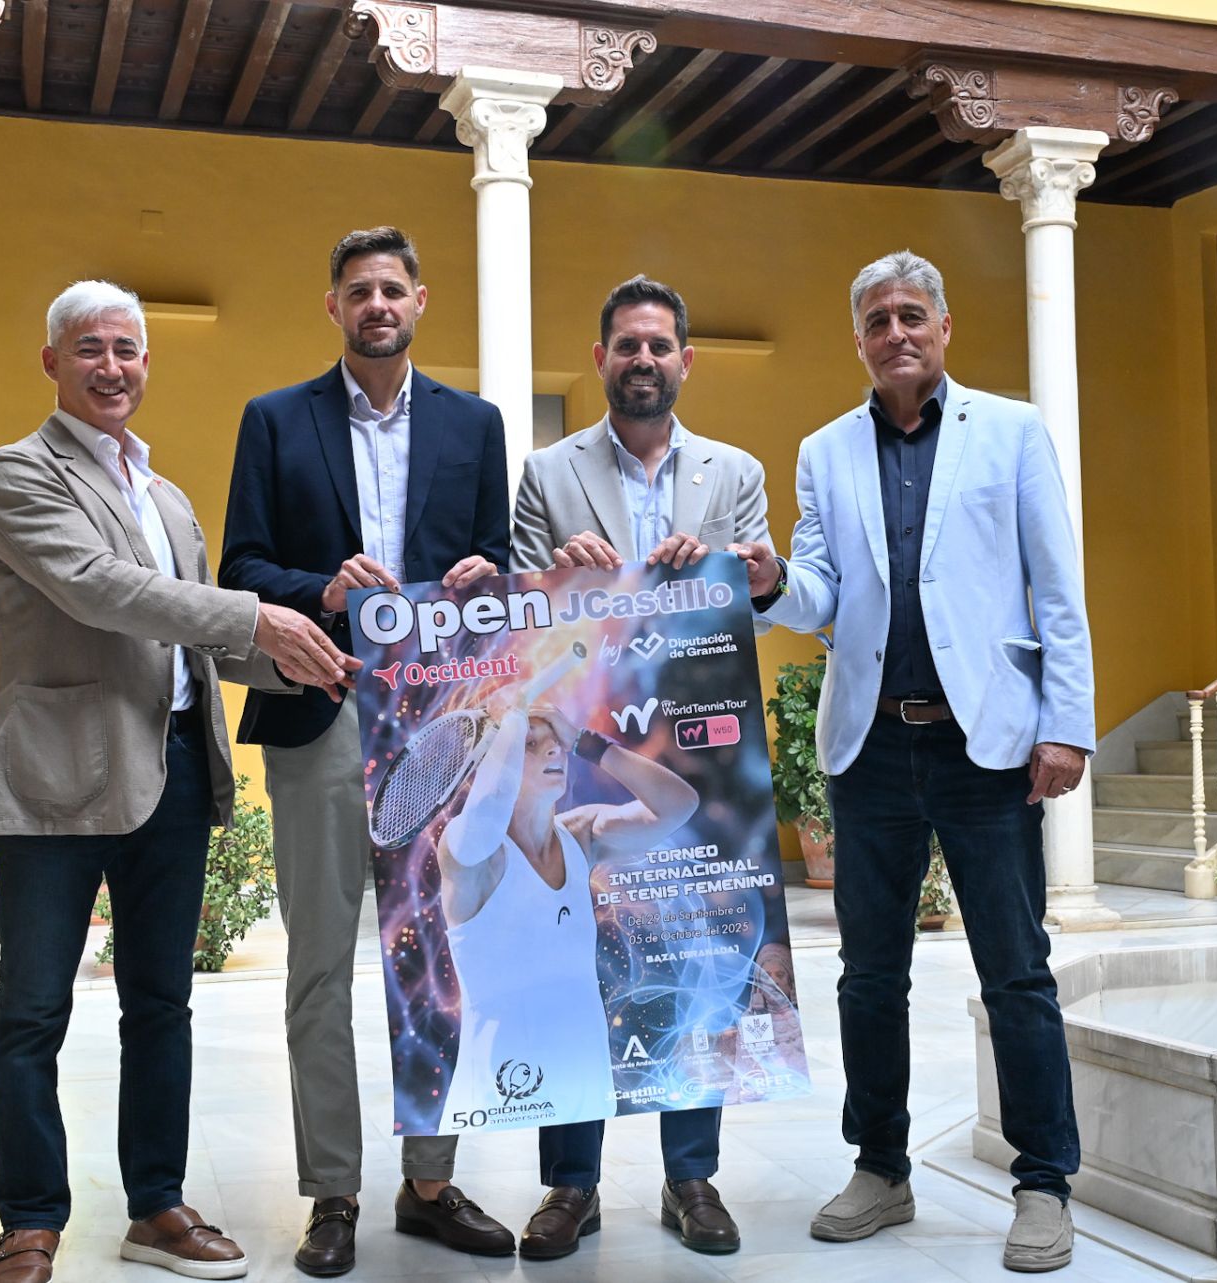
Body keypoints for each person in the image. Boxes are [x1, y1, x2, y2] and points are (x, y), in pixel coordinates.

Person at [0, 281, 360, 1283]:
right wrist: (253, 616)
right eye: (90, 347)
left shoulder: (169, 497)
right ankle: (30, 1218)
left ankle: (158, 1201)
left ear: (146, 364)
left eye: (128, 350)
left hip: (176, 771)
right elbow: (99, 588)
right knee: (33, 1008)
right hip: (56, 779)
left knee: (161, 1001)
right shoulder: (19, 475)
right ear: (52, 362)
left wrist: (299, 658)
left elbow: (207, 644)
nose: (112, 365)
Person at [737, 250, 1095, 1274]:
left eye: (913, 314)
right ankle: (881, 1165)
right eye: (878, 319)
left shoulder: (1015, 433)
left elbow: (1056, 588)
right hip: (873, 746)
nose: (897, 331)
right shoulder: (826, 450)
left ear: (944, 326)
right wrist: (770, 581)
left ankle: (1043, 1180)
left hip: (986, 744)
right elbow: (822, 592)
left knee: (1016, 969)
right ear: (858, 339)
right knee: (868, 974)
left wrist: (1064, 723)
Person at [219, 228, 512, 1273]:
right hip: (322, 711)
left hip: (437, 722)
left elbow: (503, 566)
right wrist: (322, 590)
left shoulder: (475, 426)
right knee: (316, 969)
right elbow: (243, 564)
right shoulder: (275, 421)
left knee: (433, 959)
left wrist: (486, 578)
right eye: (359, 290)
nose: (378, 302)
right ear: (333, 306)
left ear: (420, 301)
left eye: (393, 287)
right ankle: (331, 1190)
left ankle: (431, 1181)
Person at [507, 274, 773, 1258]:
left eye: (660, 345)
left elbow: (760, 591)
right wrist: (555, 577)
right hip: (584, 745)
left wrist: (736, 569)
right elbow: (515, 608)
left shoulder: (733, 470)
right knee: (576, 959)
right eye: (627, 345)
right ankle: (569, 1186)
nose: (644, 360)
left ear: (686, 360)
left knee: (687, 956)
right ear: (602, 358)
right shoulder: (547, 472)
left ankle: (691, 1175)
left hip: (696, 736)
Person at [432, 697, 698, 1210]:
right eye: (531, 745)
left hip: (581, 1071)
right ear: (493, 761)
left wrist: (589, 744)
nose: (552, 749)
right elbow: (488, 807)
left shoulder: (581, 832)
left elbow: (679, 805)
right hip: (498, 1078)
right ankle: (566, 1192)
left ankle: (579, 1197)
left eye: (554, 741)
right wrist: (508, 722)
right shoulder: (469, 853)